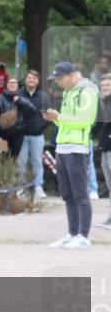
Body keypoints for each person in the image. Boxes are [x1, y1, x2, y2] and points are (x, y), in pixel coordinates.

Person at [45, 62, 99, 250]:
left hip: (78, 148)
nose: (58, 82)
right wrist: (55, 118)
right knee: (67, 195)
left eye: (60, 78)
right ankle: (72, 233)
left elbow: (85, 121)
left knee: (80, 194)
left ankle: (83, 236)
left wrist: (59, 117)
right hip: (62, 147)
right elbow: (66, 123)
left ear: (73, 75)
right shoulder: (68, 93)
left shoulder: (88, 92)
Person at [17, 70, 52, 197]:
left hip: (37, 136)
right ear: (25, 80)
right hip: (21, 135)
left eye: (34, 78)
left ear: (37, 81)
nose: (31, 80)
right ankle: (21, 187)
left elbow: (49, 115)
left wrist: (40, 127)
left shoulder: (43, 96)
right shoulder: (18, 95)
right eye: (29, 78)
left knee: (37, 162)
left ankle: (38, 186)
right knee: (21, 162)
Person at [0, 76, 37, 160]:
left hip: (17, 136)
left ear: (18, 85)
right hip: (0, 135)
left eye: (14, 83)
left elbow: (32, 111)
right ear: (6, 85)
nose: (12, 84)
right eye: (10, 83)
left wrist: (20, 101)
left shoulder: (22, 99)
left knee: (13, 160)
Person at [96, 73, 111, 229]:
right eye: (103, 86)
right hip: (105, 147)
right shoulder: (104, 102)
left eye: (108, 85)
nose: (105, 88)